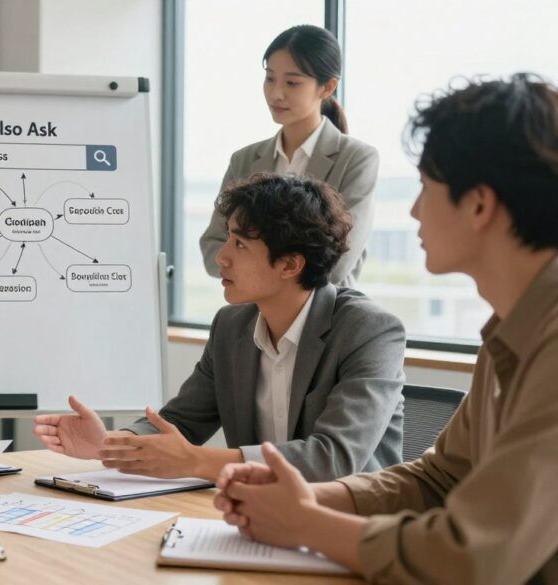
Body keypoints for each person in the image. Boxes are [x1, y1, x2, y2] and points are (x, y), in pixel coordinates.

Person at [214, 74, 558, 584]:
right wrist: (310, 497)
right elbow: (442, 477)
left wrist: (304, 522)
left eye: (425, 188)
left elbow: (475, 557)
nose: (415, 211)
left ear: (480, 205)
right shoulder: (511, 327)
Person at [34, 174, 406, 482]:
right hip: (258, 517)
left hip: (349, 527)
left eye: (240, 244)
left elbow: (333, 458)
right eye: (227, 237)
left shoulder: (369, 331)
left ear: (290, 265)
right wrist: (110, 444)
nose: (221, 256)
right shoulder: (232, 325)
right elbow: (182, 420)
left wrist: (196, 462)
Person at [199, 24, 378, 288]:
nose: (276, 93)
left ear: (327, 87)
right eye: (270, 78)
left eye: (292, 82)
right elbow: (212, 249)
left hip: (326, 321)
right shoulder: (245, 160)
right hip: (255, 321)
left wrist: (252, 266)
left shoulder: (356, 159)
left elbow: (338, 265)